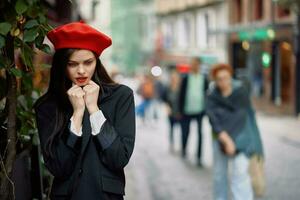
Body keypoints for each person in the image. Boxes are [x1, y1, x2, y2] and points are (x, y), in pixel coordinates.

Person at [34, 21, 135, 200]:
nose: (81, 71)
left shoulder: (121, 96)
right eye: (72, 64)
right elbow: (58, 167)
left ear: (96, 61)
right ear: (61, 65)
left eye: (88, 62)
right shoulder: (47, 106)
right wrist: (77, 115)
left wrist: (94, 110)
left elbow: (119, 158)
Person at [206, 63, 255, 200]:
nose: (223, 82)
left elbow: (242, 117)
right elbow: (213, 119)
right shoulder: (211, 96)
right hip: (220, 138)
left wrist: (233, 141)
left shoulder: (241, 92)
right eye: (219, 79)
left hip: (240, 138)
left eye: (226, 78)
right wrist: (226, 139)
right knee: (219, 175)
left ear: (230, 77)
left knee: (240, 174)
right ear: (215, 80)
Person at [178, 57, 208, 166]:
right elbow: (181, 94)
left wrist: (206, 110)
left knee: (200, 134)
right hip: (187, 110)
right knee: (185, 132)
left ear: (200, 65)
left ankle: (199, 157)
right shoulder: (186, 78)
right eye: (193, 64)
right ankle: (184, 151)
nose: (195, 66)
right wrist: (179, 110)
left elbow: (206, 94)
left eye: (197, 64)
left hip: (200, 110)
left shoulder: (204, 78)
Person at [162, 70, 182, 152]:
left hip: (180, 112)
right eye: (172, 78)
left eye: (175, 77)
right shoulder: (168, 88)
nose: (174, 79)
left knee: (181, 130)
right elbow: (164, 99)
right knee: (171, 129)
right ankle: (172, 144)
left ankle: (181, 145)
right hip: (171, 112)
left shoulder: (181, 88)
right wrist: (167, 107)